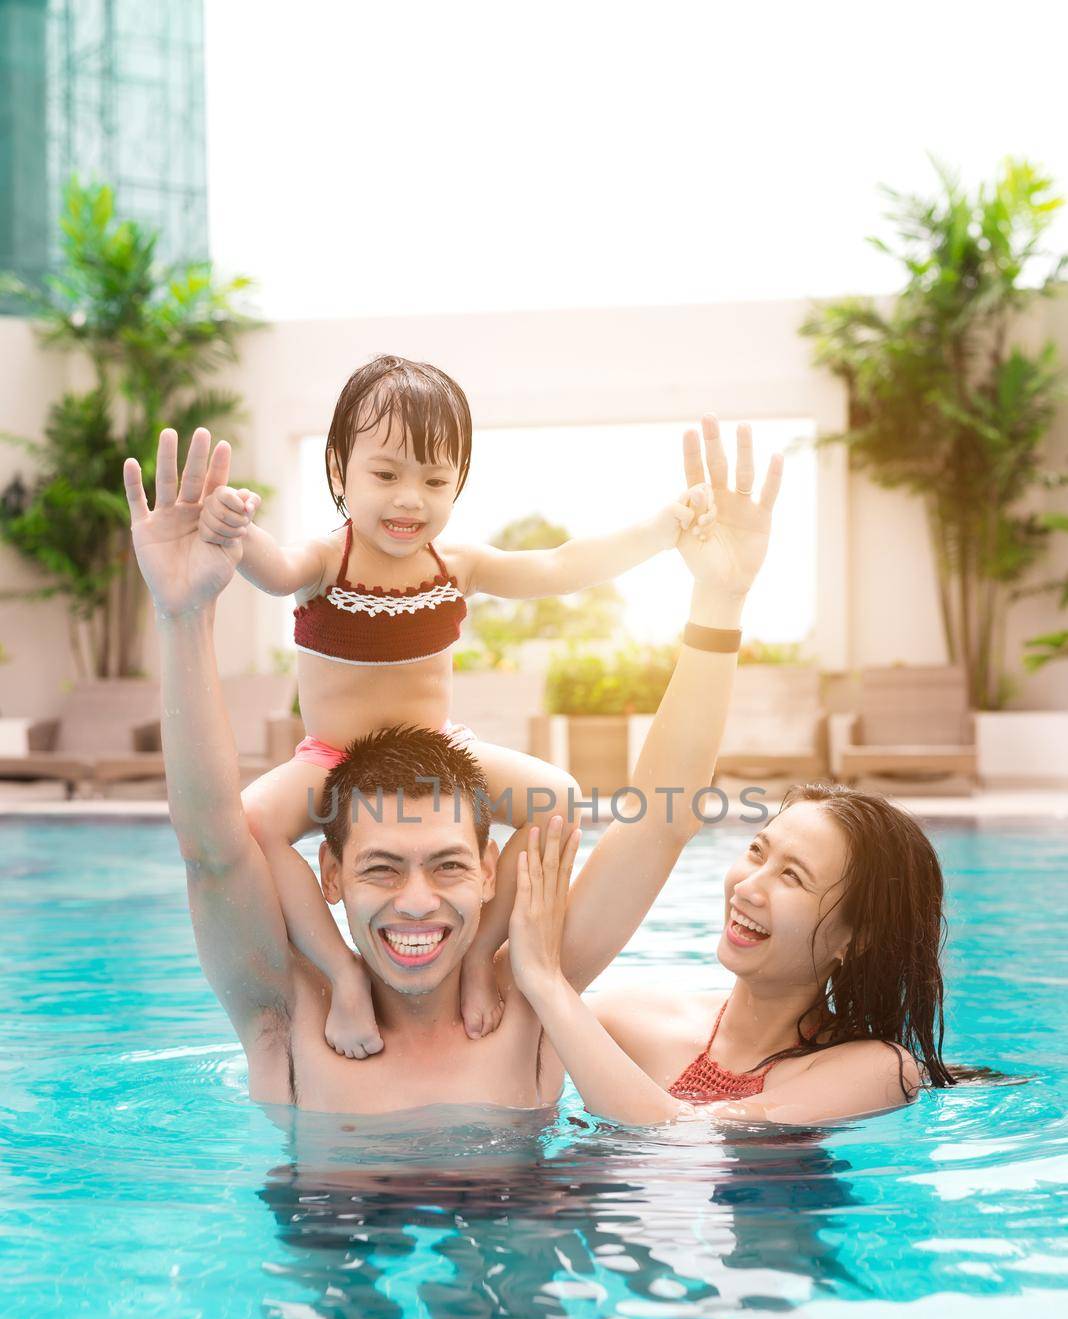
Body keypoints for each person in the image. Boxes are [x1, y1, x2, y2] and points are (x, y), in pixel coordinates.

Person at [123, 416, 782, 1115]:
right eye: (382, 866)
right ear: (332, 875)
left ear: (493, 868)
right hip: (333, 1222)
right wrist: (182, 616)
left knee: (559, 797)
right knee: (245, 830)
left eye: (448, 865)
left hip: (510, 1216)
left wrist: (721, 597)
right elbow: (212, 844)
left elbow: (662, 820)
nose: (415, 901)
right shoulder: (288, 1025)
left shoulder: (531, 998)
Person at [196, 354, 710, 1061]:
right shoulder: (325, 561)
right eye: (386, 475)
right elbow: (272, 568)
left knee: (557, 800)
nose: (411, 499)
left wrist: (662, 530)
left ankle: (477, 959)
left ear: (457, 485)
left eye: (435, 481)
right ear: (339, 471)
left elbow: (559, 566)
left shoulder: (455, 566)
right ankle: (342, 972)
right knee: (250, 828)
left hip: (434, 754)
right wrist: (232, 527)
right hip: (336, 762)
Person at [506, 784, 953, 1126]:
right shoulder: (623, 1020)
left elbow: (686, 1137)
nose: (747, 887)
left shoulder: (876, 1068)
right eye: (756, 852)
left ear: (856, 939)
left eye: (792, 877)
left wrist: (547, 980)